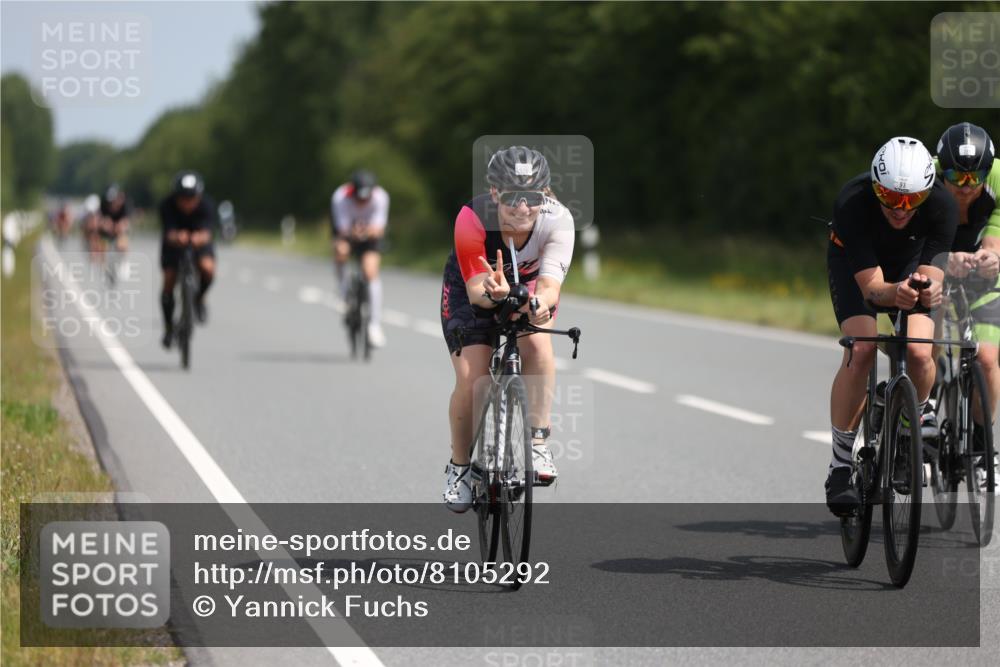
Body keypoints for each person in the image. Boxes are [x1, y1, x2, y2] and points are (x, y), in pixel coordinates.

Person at [825, 136, 958, 515]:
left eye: (912, 200)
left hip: (909, 264)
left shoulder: (942, 206)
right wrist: (893, 293)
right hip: (855, 264)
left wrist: (929, 290)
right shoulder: (853, 202)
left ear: (927, 193)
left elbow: (932, 271)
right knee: (862, 348)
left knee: (918, 351)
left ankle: (909, 423)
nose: (901, 209)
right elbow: (872, 289)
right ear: (874, 186)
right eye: (890, 197)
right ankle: (839, 465)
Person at [439, 146, 575, 512]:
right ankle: (460, 467)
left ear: (544, 195)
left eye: (532, 198)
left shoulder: (558, 220)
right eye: (512, 197)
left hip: (528, 289)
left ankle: (538, 443)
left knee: (539, 348)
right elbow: (476, 291)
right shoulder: (472, 218)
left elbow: (550, 288)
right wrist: (493, 293)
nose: (522, 208)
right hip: (476, 289)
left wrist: (536, 304)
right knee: (472, 377)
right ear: (495, 192)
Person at [935, 121, 1000, 490]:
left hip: (981, 275)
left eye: (974, 178)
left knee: (987, 358)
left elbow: (995, 237)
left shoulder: (998, 180)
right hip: (933, 261)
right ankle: (924, 406)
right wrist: (944, 261)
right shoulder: (922, 176)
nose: (964, 187)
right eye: (954, 177)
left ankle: (980, 444)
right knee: (923, 345)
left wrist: (992, 258)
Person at [330, 170, 390, 348]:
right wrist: (352, 233)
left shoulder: (381, 197)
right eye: (358, 197)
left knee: (370, 271)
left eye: (366, 198)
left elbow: (379, 228)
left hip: (370, 237)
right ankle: (342, 292)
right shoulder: (340, 197)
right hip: (347, 232)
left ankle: (374, 325)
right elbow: (341, 228)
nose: (362, 201)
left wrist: (368, 232)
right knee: (341, 251)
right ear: (352, 191)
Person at [159, 171, 216, 348]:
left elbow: (207, 232)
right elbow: (168, 232)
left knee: (207, 268)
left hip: (198, 244)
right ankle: (169, 327)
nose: (187, 202)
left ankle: (199, 297)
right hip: (174, 245)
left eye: (191, 197)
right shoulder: (167, 205)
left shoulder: (207, 205)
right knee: (169, 279)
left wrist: (199, 238)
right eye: (183, 197)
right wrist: (176, 237)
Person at [98, 184, 132, 283]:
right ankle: (106, 270)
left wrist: (118, 227)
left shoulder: (126, 204)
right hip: (107, 226)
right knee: (102, 247)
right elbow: (102, 220)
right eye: (110, 202)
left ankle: (124, 262)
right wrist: (106, 225)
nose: (112, 204)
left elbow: (126, 222)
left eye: (114, 201)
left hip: (120, 225)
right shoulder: (103, 203)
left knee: (122, 242)